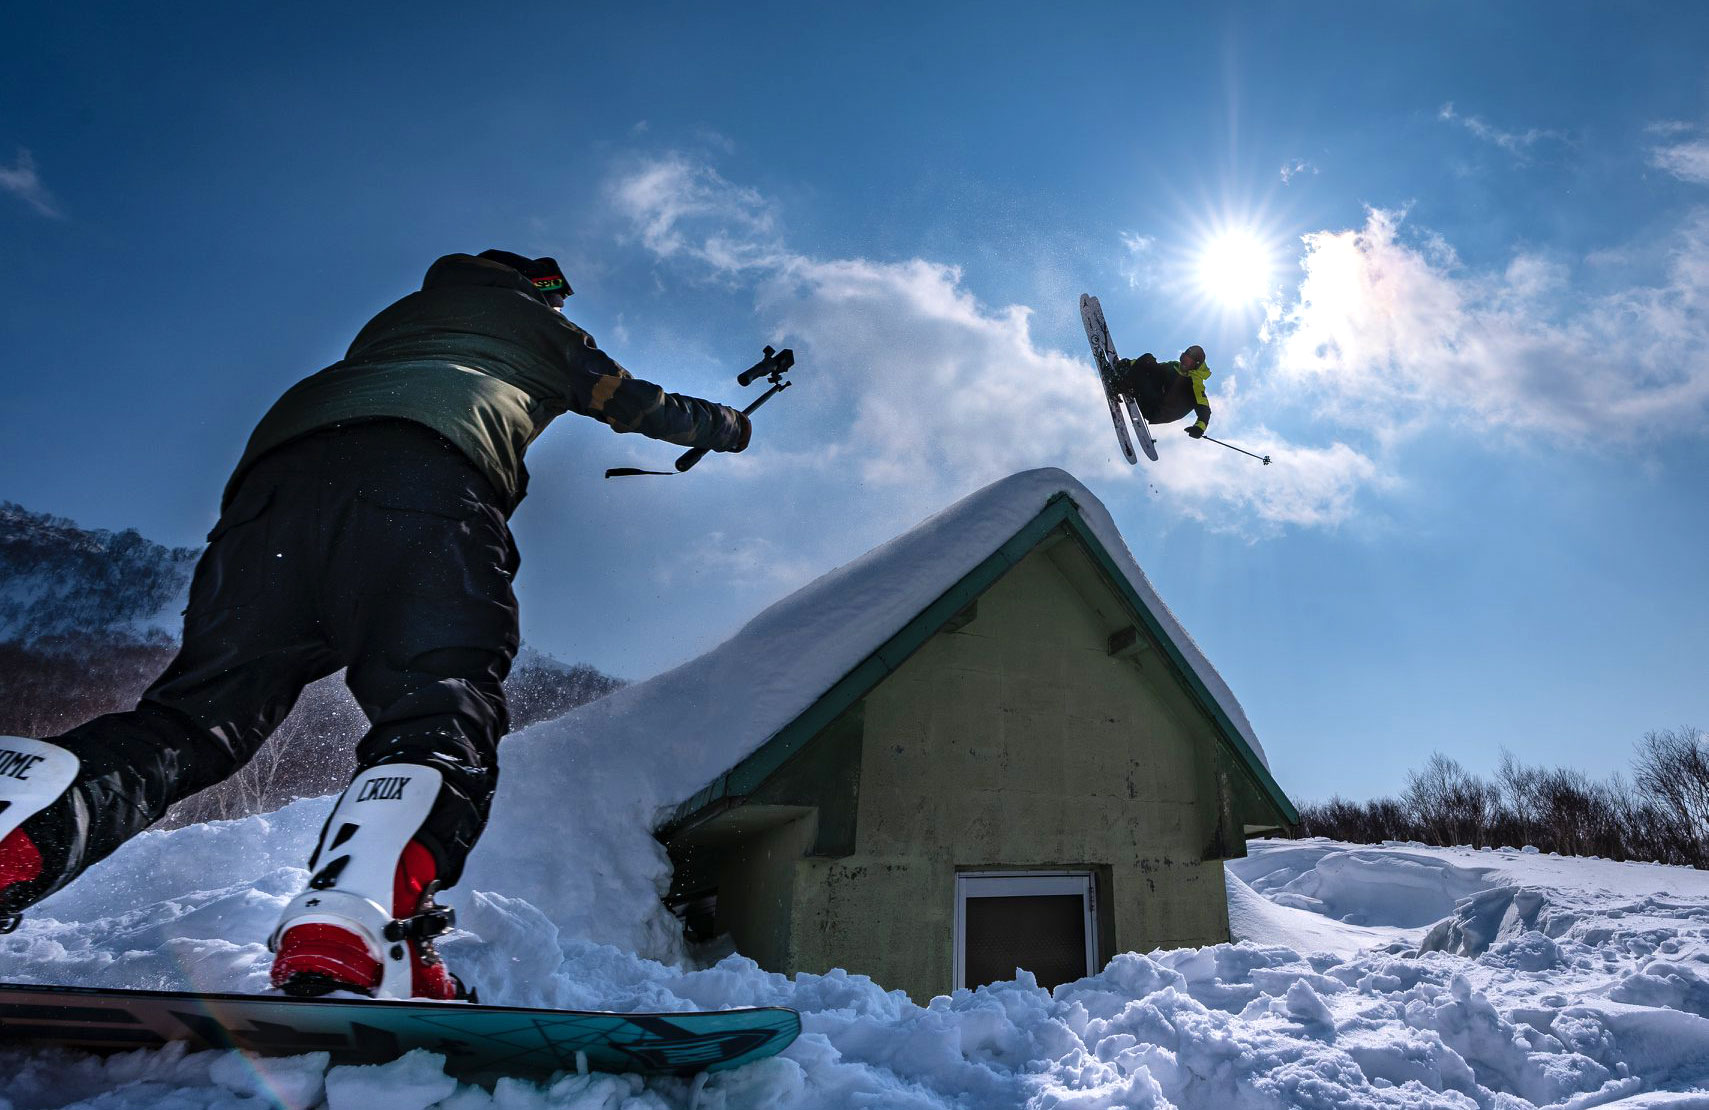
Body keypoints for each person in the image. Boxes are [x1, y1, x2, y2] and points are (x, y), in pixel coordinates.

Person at [0, 249, 752, 1000]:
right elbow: (632, 399)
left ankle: (24, 822)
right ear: (531, 287)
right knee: (437, 697)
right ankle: (357, 924)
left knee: (194, 721)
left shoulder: (395, 321)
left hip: (271, 496)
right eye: (553, 290)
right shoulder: (532, 324)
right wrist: (725, 427)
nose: (560, 303)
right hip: (419, 476)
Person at [1113, 344, 1213, 439]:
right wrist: (1129, 363)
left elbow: (1204, 409)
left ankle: (1120, 385)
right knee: (1148, 359)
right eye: (1184, 359)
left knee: (1145, 375)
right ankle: (1126, 381)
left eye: (1188, 362)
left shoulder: (1195, 384)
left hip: (1159, 411)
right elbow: (1151, 368)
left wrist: (1199, 428)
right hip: (1153, 399)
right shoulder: (1174, 366)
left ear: (1195, 366)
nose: (1183, 364)